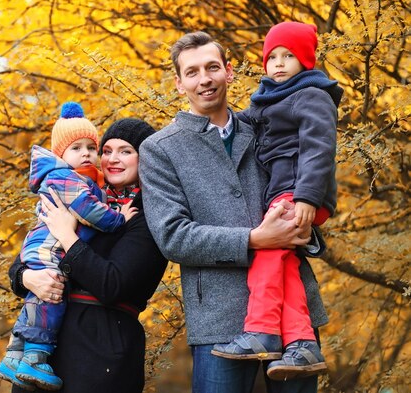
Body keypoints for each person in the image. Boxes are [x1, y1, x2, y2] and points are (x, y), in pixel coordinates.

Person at [139, 30, 329, 393]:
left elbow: (311, 171)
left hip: (293, 314)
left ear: (229, 71)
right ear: (179, 84)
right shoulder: (159, 150)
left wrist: (309, 221)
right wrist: (255, 239)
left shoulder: (266, 124)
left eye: (212, 67)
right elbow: (173, 237)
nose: (204, 79)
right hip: (218, 316)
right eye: (192, 72)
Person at [211, 21, 343, 381]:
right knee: (284, 264)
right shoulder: (269, 96)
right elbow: (239, 123)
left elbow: (319, 148)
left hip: (298, 190)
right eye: (273, 57)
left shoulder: (311, 95)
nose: (280, 64)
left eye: (289, 56)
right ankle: (302, 344)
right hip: (285, 191)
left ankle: (261, 331)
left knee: (266, 257)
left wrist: (307, 196)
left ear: (306, 62)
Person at [3, 118, 167, 393]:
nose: (113, 159)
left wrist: (68, 236)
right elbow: (27, 257)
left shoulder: (148, 216)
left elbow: (112, 284)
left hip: (101, 348)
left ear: (145, 159)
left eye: (126, 151)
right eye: (107, 150)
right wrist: (28, 277)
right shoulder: (84, 197)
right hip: (47, 340)